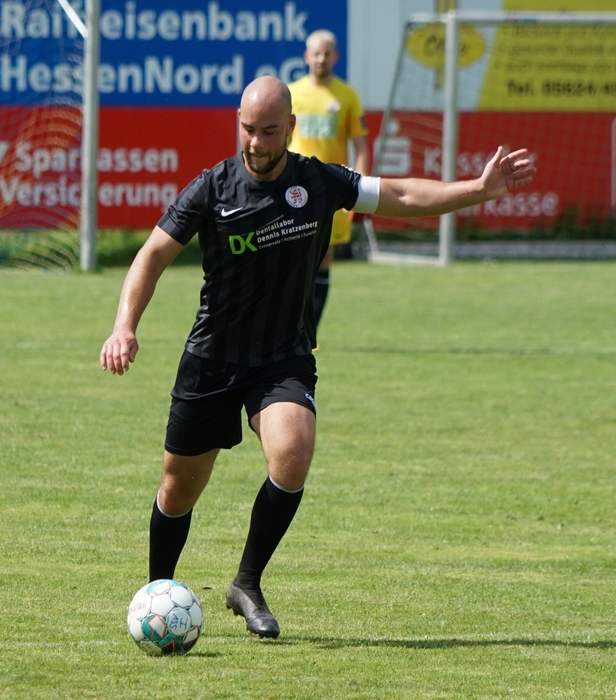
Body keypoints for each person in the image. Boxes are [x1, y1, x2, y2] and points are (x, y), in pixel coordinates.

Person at [100, 75, 535, 639]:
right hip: (213, 357)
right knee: (178, 488)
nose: (256, 142)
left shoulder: (319, 181)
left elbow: (401, 196)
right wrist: (124, 326)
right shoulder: (212, 188)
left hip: (282, 356)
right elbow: (152, 255)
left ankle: (246, 582)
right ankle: (157, 594)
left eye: (268, 131)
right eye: (247, 129)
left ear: (290, 127)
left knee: (292, 454)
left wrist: (478, 189)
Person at [288, 29, 369, 341]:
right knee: (293, 260)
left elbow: (360, 146)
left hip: (332, 190)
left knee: (323, 261)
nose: (321, 59)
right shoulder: (291, 94)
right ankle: (287, 331)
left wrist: (361, 190)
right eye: (316, 54)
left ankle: (309, 336)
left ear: (336, 56)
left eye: (327, 54)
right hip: (294, 188)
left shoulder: (346, 96)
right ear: (306, 57)